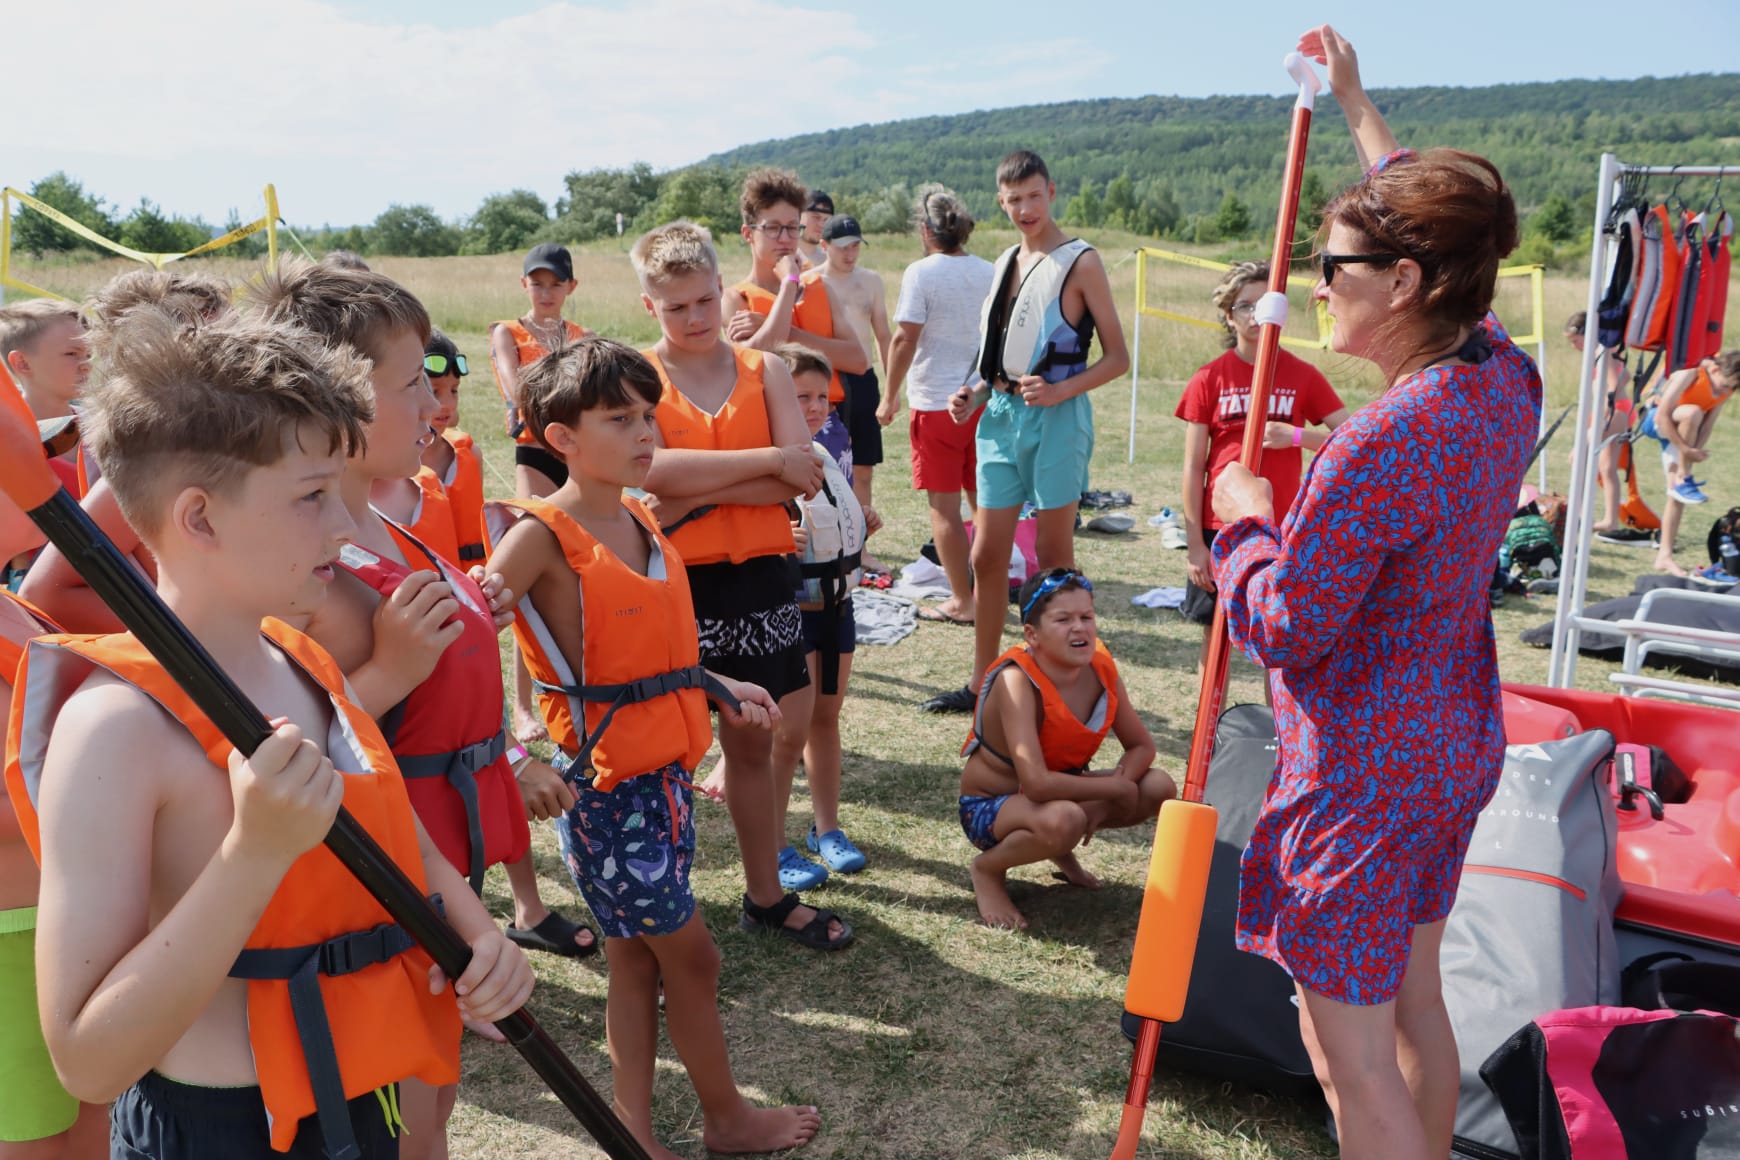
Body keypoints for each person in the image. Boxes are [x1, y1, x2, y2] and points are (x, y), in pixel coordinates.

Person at [5, 306, 532, 1160]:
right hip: (221, 1129)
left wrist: (478, 933)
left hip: (361, 1098)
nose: (343, 528)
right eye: (312, 497)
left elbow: (391, 832)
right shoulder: (113, 732)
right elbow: (87, 1060)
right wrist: (252, 853)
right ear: (200, 519)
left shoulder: (303, 659)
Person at [1206, 26, 1539, 1160]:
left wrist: (1244, 519)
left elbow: (1284, 625)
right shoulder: (1501, 373)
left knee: (1347, 1057)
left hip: (1361, 775)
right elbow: (1433, 229)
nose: (1313, 287)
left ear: (1404, 283)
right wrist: (1355, 106)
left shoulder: (1380, 440)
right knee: (1412, 1006)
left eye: (1333, 268)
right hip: (1450, 743)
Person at [247, 259, 581, 1157]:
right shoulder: (305, 566)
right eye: (411, 386)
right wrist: (393, 670)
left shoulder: (383, 523)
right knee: (402, 1114)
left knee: (433, 1094)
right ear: (339, 400)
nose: (436, 403)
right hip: (380, 880)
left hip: (443, 859)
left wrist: (473, 609)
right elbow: (266, 750)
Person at [484, 337, 823, 1160]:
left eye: (647, 415)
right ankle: (727, 1120)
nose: (644, 432)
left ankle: (630, 1132)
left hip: (662, 781)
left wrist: (717, 684)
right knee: (694, 961)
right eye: (619, 419)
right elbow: (458, 654)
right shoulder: (539, 538)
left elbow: (650, 651)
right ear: (561, 439)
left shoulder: (640, 515)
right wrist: (512, 756)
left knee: (636, 963)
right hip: (605, 798)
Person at [631, 220, 853, 952]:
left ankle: (765, 895)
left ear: (721, 288)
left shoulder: (768, 372)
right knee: (662, 750)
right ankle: (659, 903)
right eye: (676, 307)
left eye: (705, 300)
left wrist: (694, 491)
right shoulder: (634, 379)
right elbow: (647, 473)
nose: (695, 318)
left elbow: (803, 473)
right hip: (669, 585)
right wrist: (763, 464)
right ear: (649, 306)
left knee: (752, 743)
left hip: (760, 584)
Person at [926, 150, 1129, 713]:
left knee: (1052, 556)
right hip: (1000, 418)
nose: (1025, 208)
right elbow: (999, 357)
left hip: (1058, 419)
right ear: (1001, 201)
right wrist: (974, 393)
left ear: (1051, 192)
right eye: (1014, 199)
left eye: (1034, 196)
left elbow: (1118, 358)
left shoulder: (1081, 261)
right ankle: (983, 683)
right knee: (987, 555)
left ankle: (1063, 682)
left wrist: (1061, 391)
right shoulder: (1005, 261)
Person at [0, 402, 105, 1160]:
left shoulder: (12, 607)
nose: (51, 474)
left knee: (91, 1127)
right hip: (11, 940)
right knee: (36, 1141)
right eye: (22, 462)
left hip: (66, 920)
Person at [958, 569, 1172, 930]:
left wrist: (1115, 790)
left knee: (1158, 786)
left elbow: (1141, 747)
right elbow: (1037, 784)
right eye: (1063, 620)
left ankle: (1059, 844)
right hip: (990, 809)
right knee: (1064, 819)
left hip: (1059, 797)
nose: (1079, 628)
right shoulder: (1016, 680)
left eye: (1086, 617)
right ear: (1032, 634)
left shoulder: (1100, 667)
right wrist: (1113, 788)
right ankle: (987, 870)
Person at [1176, 261, 1348, 644]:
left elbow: (1352, 440)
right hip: (1221, 524)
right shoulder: (1209, 378)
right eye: (1244, 306)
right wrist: (1195, 545)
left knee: (1278, 633)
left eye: (1263, 304)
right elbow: (1192, 468)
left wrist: (1297, 436)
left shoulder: (1303, 375)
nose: (1255, 315)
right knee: (1215, 637)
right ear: (1228, 315)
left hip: (1282, 524)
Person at [768, 343, 875, 889]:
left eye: (820, 397)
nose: (813, 408)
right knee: (789, 734)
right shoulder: (764, 463)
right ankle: (773, 844)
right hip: (792, 615)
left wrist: (859, 524)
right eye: (799, 397)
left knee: (826, 719)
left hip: (837, 608)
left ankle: (826, 828)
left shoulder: (825, 455)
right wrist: (774, 539)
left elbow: (835, 524)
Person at [490, 242, 590, 744]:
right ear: (523, 284)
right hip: (534, 451)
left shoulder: (581, 336)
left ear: (571, 287)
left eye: (555, 284)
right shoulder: (507, 333)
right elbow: (518, 391)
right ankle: (523, 707)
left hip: (575, 455)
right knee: (528, 575)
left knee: (576, 573)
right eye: (537, 283)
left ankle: (577, 688)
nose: (546, 293)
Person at [882, 186, 995, 628]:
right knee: (984, 504)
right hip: (982, 399)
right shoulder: (989, 271)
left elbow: (904, 338)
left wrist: (889, 395)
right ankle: (988, 593)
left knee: (944, 509)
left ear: (925, 230)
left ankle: (963, 600)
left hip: (935, 405)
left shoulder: (921, 272)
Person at [722, 168, 868, 420]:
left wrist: (782, 330)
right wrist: (789, 284)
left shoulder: (821, 288)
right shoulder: (735, 299)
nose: (785, 239)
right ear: (748, 233)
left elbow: (857, 360)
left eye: (792, 228)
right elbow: (749, 365)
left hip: (825, 425)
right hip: (770, 424)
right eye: (773, 228)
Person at [813, 215, 893, 572]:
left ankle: (860, 548)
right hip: (825, 381)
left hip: (863, 380)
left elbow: (883, 334)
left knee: (863, 467)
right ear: (824, 246)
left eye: (856, 246)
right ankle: (822, 542)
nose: (850, 254)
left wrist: (891, 389)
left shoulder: (871, 280)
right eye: (843, 247)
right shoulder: (812, 282)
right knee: (823, 464)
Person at [1641, 350, 1737, 576]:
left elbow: (1707, 425)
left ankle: (1664, 556)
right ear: (1715, 369)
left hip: (1684, 432)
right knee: (1692, 412)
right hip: (1656, 421)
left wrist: (1695, 451)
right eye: (1724, 385)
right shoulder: (1690, 374)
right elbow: (1662, 416)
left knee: (1676, 495)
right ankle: (1684, 476)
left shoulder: (1726, 389)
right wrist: (1685, 450)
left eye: (1731, 389)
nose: (1724, 391)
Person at [0, 300, 88, 494]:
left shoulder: (104, 429)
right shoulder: (6, 446)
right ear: (22, 363)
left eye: (88, 355)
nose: (86, 365)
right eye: (72, 354)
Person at [1562, 311, 1635, 538]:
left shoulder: (1601, 351)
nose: (1574, 347)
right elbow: (1626, 376)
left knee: (1578, 458)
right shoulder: (1607, 350)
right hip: (1618, 410)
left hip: (1612, 412)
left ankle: (1580, 515)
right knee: (1606, 469)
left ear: (1587, 334)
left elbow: (1613, 388)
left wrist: (1601, 418)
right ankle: (1610, 521)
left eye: (1575, 341)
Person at [420, 329, 487, 565]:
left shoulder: (470, 456)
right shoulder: (389, 465)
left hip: (471, 579)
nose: (447, 403)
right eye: (435, 391)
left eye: (454, 390)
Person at [797, 188, 834, 270]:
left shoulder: (829, 262)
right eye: (816, 217)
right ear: (799, 216)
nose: (821, 225)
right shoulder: (785, 256)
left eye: (826, 220)